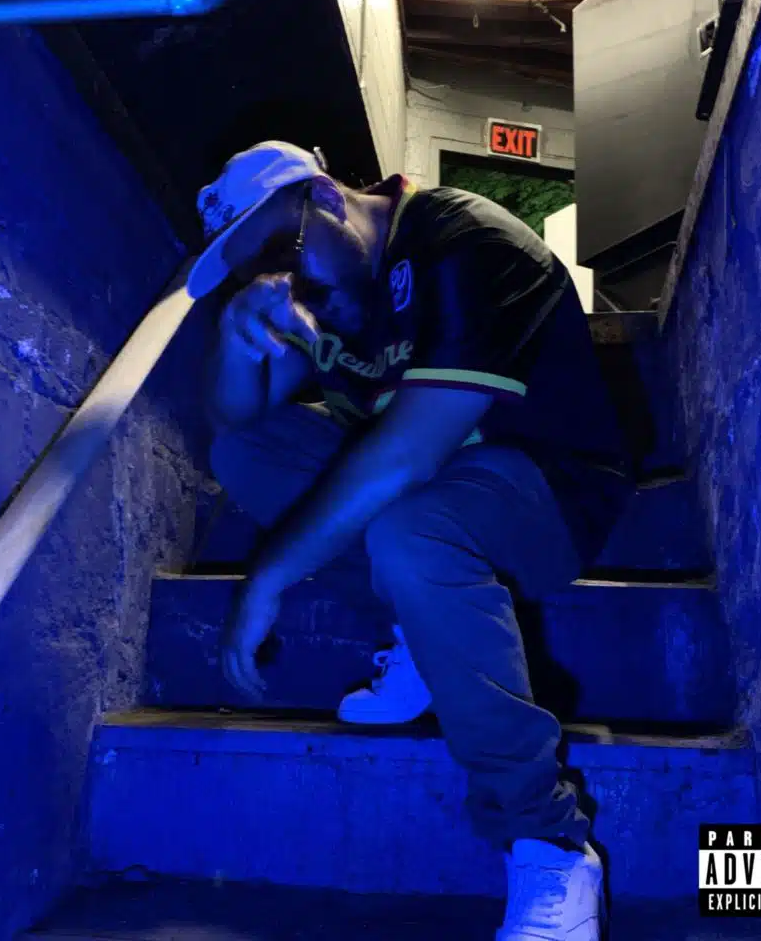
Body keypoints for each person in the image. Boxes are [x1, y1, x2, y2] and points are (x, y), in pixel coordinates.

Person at [190, 141, 633, 941]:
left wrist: (267, 577)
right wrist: (234, 330)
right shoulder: (323, 291)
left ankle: (551, 843)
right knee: (247, 455)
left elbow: (411, 454)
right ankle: (426, 636)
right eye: (250, 269)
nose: (277, 281)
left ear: (326, 199)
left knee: (408, 526)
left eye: (278, 252)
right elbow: (237, 417)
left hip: (545, 491)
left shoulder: (466, 242)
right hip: (428, 499)